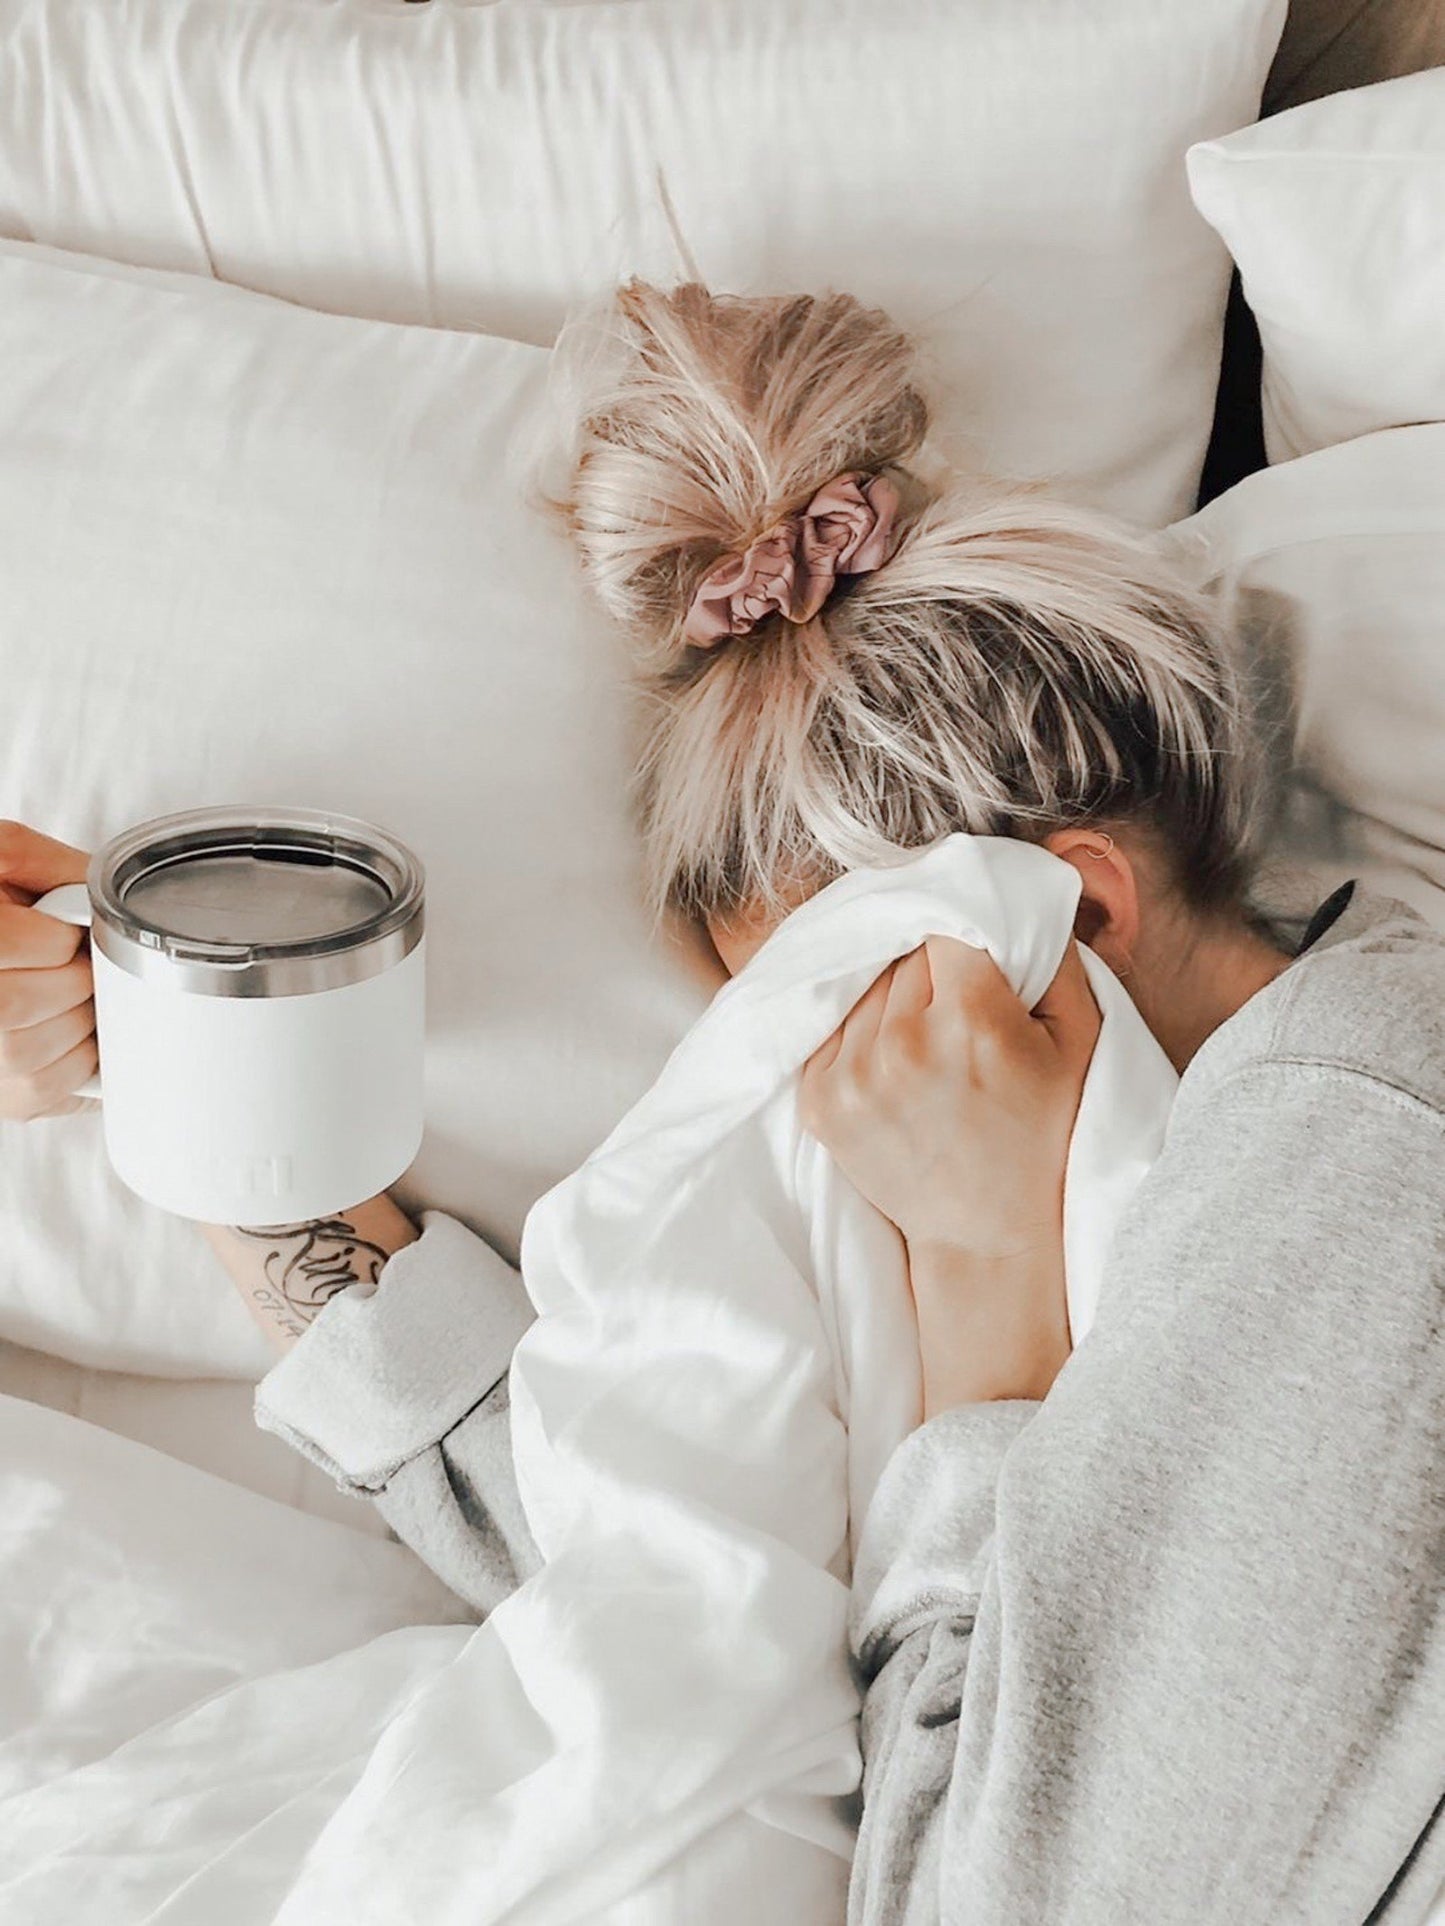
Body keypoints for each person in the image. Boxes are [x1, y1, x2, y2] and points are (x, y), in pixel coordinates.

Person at [2, 280, 1442, 1923]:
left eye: (814, 1036)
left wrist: (985, 1291)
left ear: (1070, 922)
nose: (815, 1124)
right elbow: (683, 1576)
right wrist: (210, 1102)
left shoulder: (1362, 1128)